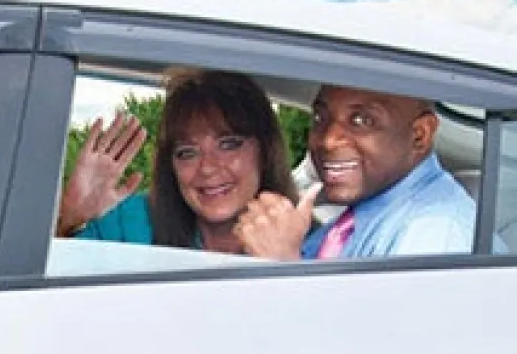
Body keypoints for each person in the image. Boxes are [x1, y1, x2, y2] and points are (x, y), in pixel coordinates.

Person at [57, 68, 298, 255]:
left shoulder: (311, 240)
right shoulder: (131, 224)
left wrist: (287, 264)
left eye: (228, 144)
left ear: (265, 150)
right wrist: (68, 220)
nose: (207, 167)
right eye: (187, 152)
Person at [233, 84, 476, 259]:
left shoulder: (436, 232)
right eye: (320, 117)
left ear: (419, 135)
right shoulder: (351, 221)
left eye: (362, 121)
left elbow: (393, 331)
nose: (328, 140)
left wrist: (283, 265)